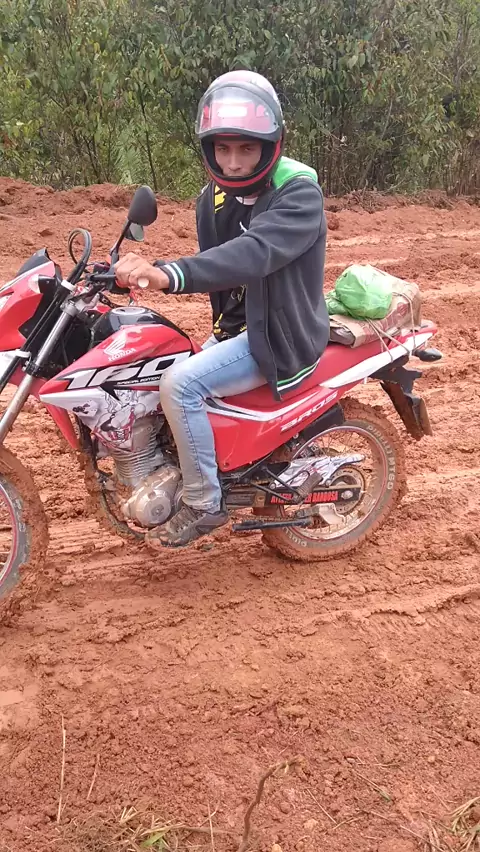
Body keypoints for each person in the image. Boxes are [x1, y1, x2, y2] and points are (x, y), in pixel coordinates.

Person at [114, 69, 329, 548]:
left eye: (246, 148)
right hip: (239, 327)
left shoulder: (299, 194)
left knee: (180, 384)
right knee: (150, 369)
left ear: (270, 145)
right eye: (223, 149)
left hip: (279, 335)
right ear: (209, 149)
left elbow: (252, 254)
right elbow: (223, 272)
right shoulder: (211, 200)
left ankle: (204, 503)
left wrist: (167, 274)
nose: (233, 163)